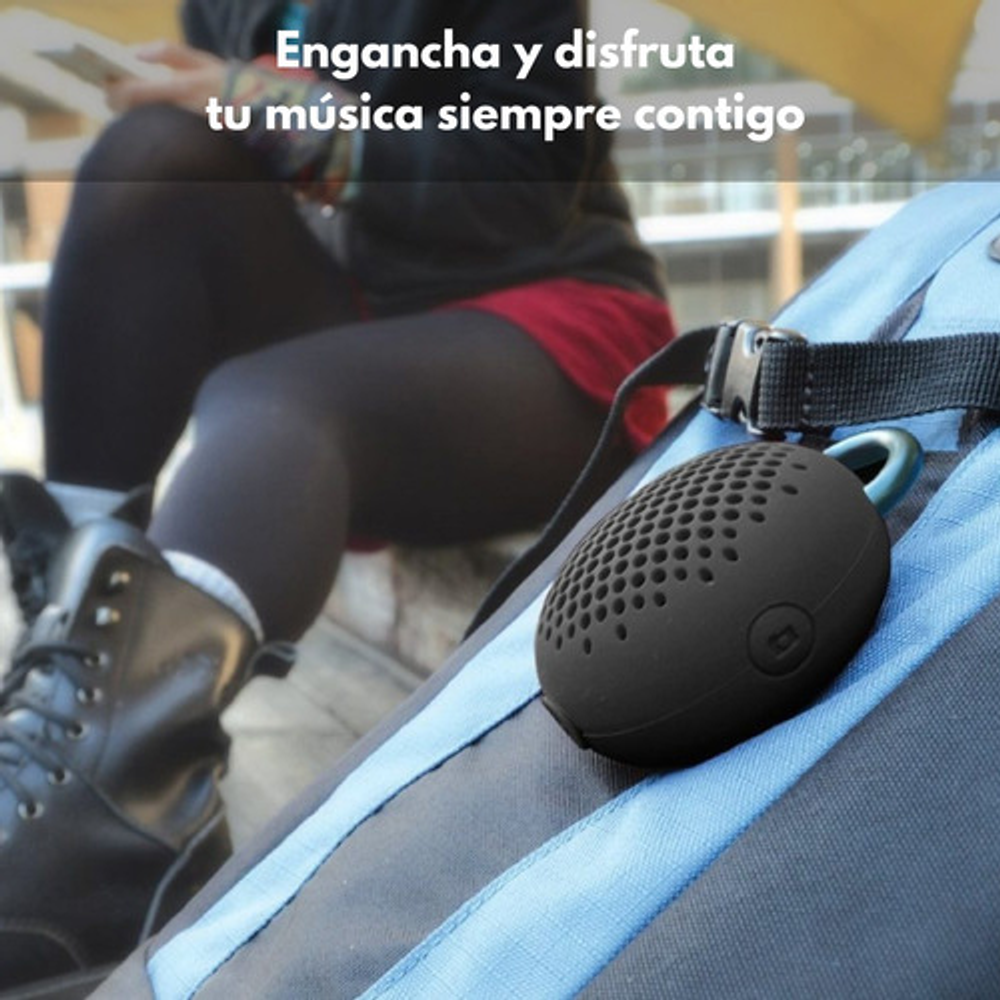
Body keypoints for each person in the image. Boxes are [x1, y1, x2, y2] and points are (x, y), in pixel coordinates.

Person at [0, 0, 676, 993]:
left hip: (544, 327)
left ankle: (109, 802)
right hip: (345, 311)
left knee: (268, 398)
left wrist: (287, 115)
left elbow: (523, 192)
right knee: (149, 153)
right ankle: (74, 712)